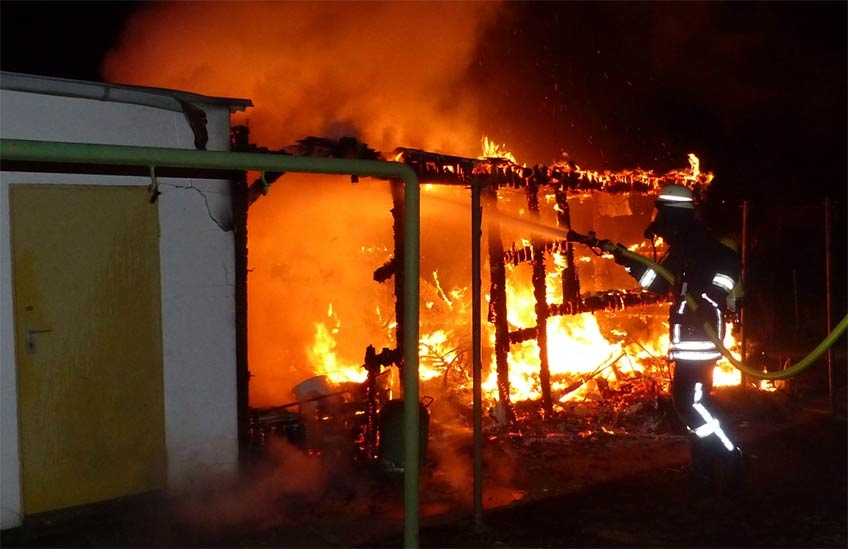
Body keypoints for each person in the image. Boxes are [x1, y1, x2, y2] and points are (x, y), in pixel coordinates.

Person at [612, 183, 745, 489]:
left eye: (662, 216)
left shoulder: (700, 244)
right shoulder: (685, 244)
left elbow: (729, 270)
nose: (658, 225)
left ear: (674, 216)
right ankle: (703, 467)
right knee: (691, 402)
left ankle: (730, 455)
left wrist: (709, 295)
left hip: (701, 337)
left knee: (689, 404)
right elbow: (658, 283)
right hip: (688, 338)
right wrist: (628, 260)